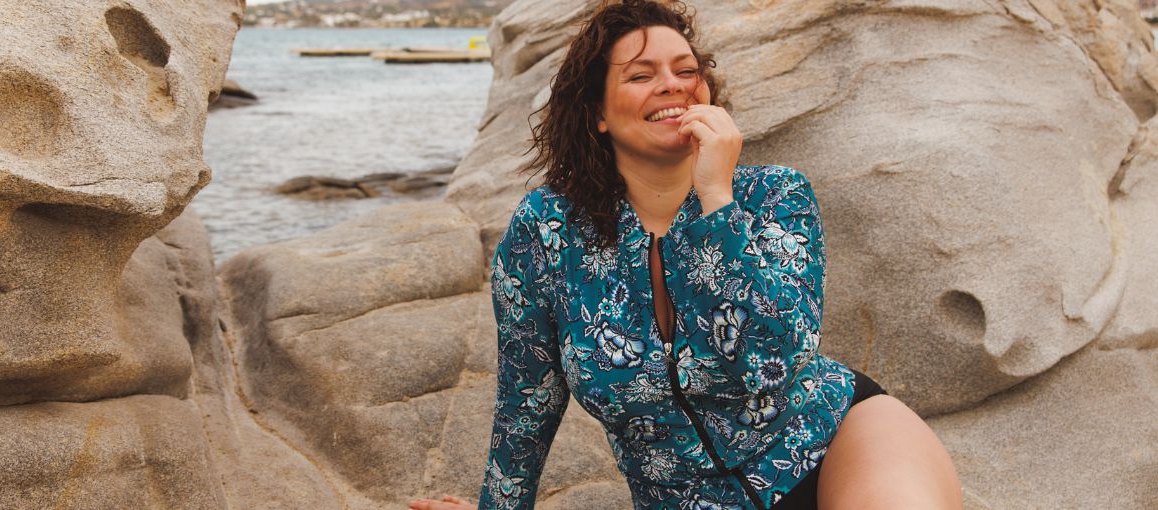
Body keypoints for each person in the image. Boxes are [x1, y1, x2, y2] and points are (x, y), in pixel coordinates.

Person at [410, 1, 961, 508]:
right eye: (641, 75)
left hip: (834, 442)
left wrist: (717, 200)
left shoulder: (775, 197)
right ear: (598, 113)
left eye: (686, 71)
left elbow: (776, 361)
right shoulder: (547, 229)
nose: (671, 86)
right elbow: (528, 396)